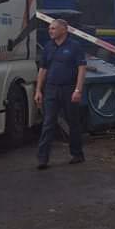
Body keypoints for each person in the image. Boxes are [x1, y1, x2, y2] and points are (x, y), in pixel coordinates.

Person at [35, 19, 87, 169]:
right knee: (48, 123)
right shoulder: (48, 47)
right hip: (51, 89)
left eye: (53, 28)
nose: (50, 31)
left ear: (64, 30)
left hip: (69, 89)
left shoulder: (74, 47)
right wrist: (38, 90)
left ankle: (77, 154)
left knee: (73, 123)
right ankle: (43, 159)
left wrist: (78, 90)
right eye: (50, 28)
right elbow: (43, 69)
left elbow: (82, 68)